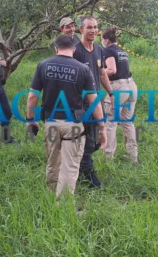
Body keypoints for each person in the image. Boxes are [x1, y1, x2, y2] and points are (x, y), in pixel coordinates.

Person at [26, 35, 107, 199]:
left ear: (56, 48)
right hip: (73, 125)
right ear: (74, 49)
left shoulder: (43, 65)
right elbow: (94, 102)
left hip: (51, 123)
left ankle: (51, 197)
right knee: (70, 166)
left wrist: (30, 119)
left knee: (53, 162)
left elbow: (32, 96)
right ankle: (62, 206)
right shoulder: (83, 69)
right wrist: (102, 127)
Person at [72, 16, 114, 188]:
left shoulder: (98, 50)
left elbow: (102, 73)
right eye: (89, 27)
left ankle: (81, 165)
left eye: (95, 27)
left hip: (96, 102)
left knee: (97, 140)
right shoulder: (76, 50)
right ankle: (88, 176)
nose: (93, 31)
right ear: (81, 30)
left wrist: (111, 93)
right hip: (80, 103)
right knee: (89, 141)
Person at [101, 26, 138, 163]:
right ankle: (133, 156)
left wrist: (98, 71)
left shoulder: (108, 50)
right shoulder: (122, 51)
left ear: (106, 40)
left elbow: (111, 69)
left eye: (102, 39)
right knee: (127, 122)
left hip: (118, 87)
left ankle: (108, 158)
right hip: (131, 86)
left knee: (111, 123)